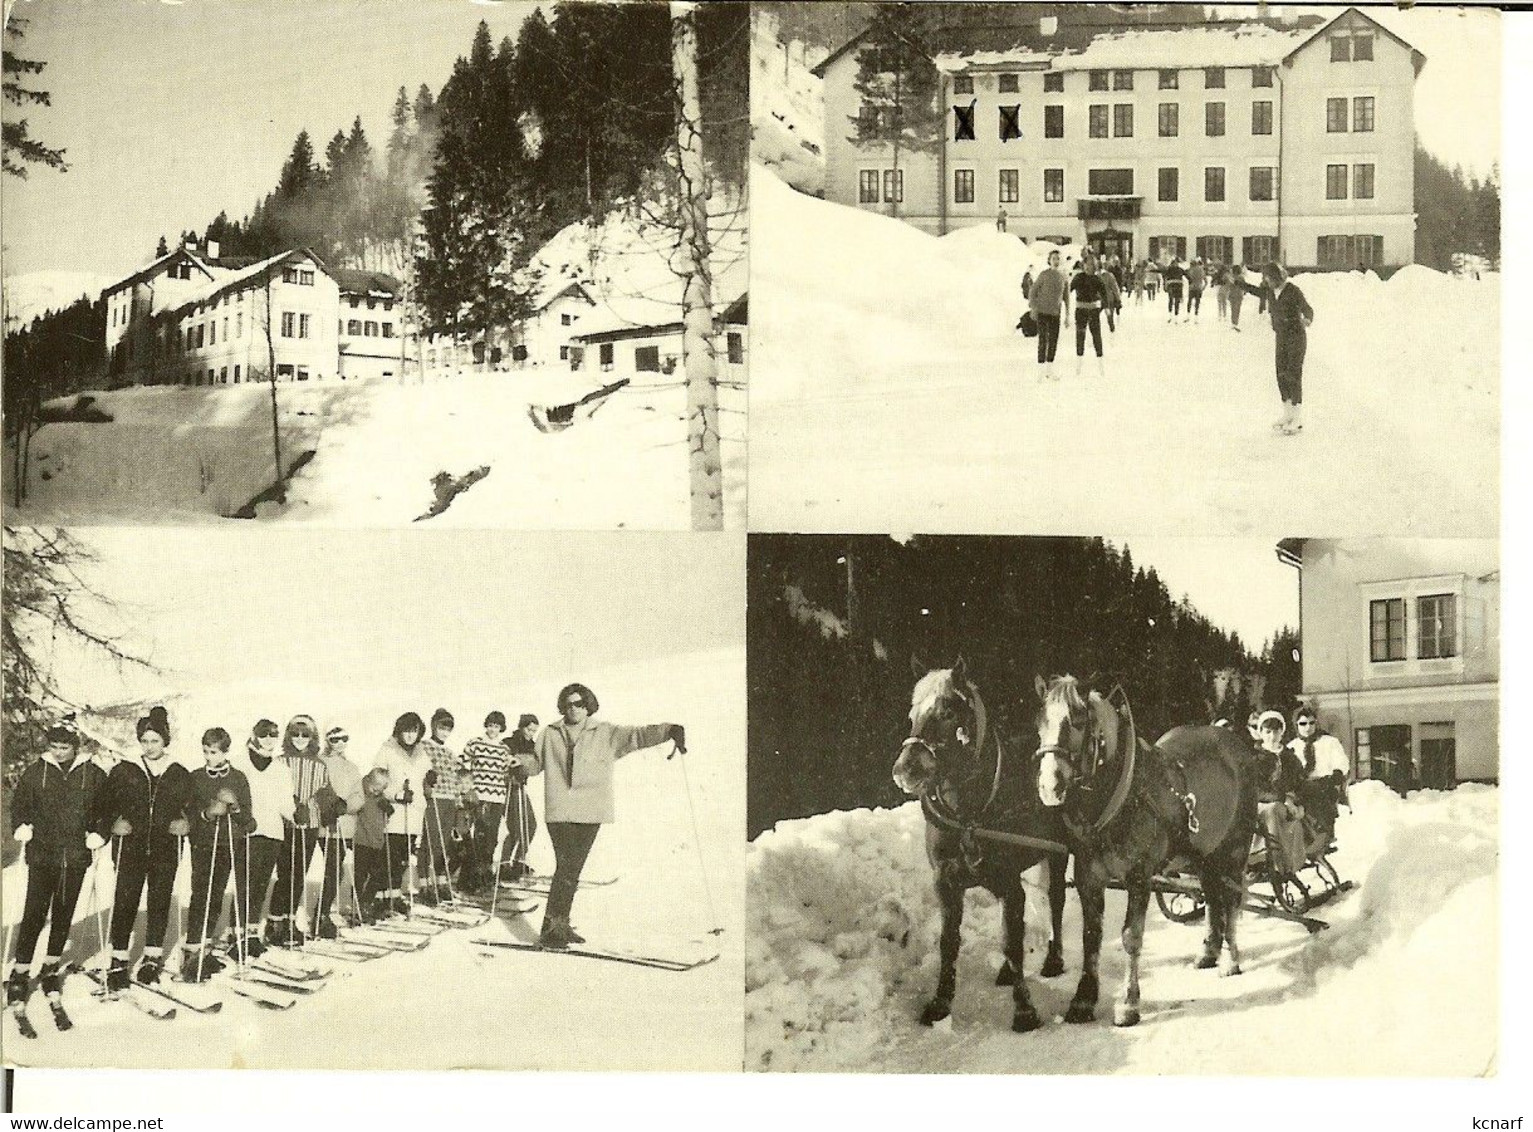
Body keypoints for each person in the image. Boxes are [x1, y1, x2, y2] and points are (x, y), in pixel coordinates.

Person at [509, 684, 685, 950]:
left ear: (588, 704)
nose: (573, 709)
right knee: (567, 867)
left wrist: (669, 730)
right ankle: (552, 929)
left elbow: (637, 735)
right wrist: (522, 766)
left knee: (572, 869)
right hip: (560, 810)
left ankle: (561, 923)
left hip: (591, 811)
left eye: (579, 703)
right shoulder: (549, 733)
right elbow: (536, 762)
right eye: (568, 704)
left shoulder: (605, 733)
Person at [5, 725, 112, 1009]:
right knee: (34, 915)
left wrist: (99, 832)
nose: (59, 752)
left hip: (75, 857)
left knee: (63, 914)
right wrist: (21, 826)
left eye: (64, 747)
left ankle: (50, 968)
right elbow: (19, 805)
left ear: (74, 747)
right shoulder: (36, 772)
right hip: (42, 855)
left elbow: (106, 809)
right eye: (54, 746)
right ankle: (19, 972)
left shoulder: (93, 774)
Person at [100, 706, 194, 992]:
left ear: (165, 741)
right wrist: (113, 822)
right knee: (126, 901)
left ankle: (152, 958)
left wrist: (185, 821)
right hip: (131, 846)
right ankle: (118, 960)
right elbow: (104, 803)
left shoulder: (178, 773)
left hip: (166, 848)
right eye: (145, 740)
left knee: (159, 902)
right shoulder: (124, 770)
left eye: (155, 740)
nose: (149, 746)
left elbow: (191, 806)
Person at [180, 729, 256, 982]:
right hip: (204, 844)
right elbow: (189, 814)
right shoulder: (196, 777)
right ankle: (192, 951)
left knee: (217, 896)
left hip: (228, 843)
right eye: (205, 751)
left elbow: (248, 820)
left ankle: (207, 948)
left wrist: (234, 806)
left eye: (214, 752)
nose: (208, 756)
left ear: (225, 752)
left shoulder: (238, 778)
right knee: (202, 894)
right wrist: (208, 813)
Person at [230, 719, 294, 957]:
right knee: (244, 885)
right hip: (246, 831)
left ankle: (251, 934)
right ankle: (236, 935)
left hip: (273, 832)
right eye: (264, 734)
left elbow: (286, 804)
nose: (269, 739)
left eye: (273, 735)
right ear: (254, 735)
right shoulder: (239, 764)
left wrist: (296, 811)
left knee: (260, 886)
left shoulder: (280, 769)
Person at [267, 714, 330, 946]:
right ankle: (276, 922)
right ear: (288, 735)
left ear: (313, 738)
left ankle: (290, 921)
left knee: (299, 874)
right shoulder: (280, 761)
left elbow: (325, 790)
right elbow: (273, 789)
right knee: (285, 873)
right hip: (286, 823)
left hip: (310, 824)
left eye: (306, 735)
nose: (300, 739)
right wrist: (292, 803)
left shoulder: (319, 763)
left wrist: (333, 805)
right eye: (296, 734)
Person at [1237, 262, 1314, 435]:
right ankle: (1287, 414)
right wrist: (1236, 282)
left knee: (1293, 373)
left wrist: (1308, 319)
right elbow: (1256, 291)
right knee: (1281, 373)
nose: (1267, 281)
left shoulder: (1293, 290)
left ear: (1278, 277)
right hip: (1281, 336)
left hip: (1296, 335)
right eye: (1265, 278)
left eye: (1269, 278)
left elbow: (1307, 308)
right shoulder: (1270, 291)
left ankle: (1297, 417)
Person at [373, 711, 432, 913]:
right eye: (406, 731)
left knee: (404, 859)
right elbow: (377, 780)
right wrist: (395, 794)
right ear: (399, 731)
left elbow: (425, 781)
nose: (410, 735)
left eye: (414, 731)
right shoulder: (387, 749)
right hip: (394, 811)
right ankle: (380, 897)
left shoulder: (422, 752)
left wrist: (430, 781)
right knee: (389, 857)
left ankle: (395, 895)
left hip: (414, 812)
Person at [313, 726, 364, 936]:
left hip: (345, 824)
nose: (340, 743)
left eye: (344, 738)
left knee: (337, 870)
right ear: (327, 740)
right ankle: (320, 916)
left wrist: (347, 806)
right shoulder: (320, 762)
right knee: (333, 869)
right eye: (335, 739)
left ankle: (323, 913)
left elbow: (358, 795)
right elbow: (316, 789)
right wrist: (327, 808)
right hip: (327, 824)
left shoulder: (351, 767)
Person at [418, 707, 470, 904]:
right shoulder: (424, 746)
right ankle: (424, 884)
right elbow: (420, 772)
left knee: (444, 843)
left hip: (449, 799)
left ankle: (440, 882)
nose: (444, 732)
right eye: (441, 728)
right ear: (434, 726)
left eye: (448, 729)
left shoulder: (449, 753)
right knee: (430, 842)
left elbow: (455, 779)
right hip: (434, 798)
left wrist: (459, 803)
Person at [1252, 711, 1307, 879]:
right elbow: (1256, 789)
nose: (1272, 736)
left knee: (1286, 815)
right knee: (1272, 810)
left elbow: (1300, 785)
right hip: (1262, 804)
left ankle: (1288, 863)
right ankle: (1276, 864)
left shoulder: (1291, 758)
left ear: (1282, 732)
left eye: (1276, 731)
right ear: (1261, 734)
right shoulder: (1255, 759)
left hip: (1288, 804)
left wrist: (1297, 802)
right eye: (1268, 732)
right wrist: (1283, 799)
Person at [1288, 708, 1349, 850]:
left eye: (1311, 723)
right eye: (1303, 724)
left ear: (1316, 724)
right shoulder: (1292, 746)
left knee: (1315, 793)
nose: (1308, 727)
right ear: (1296, 725)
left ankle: (1322, 834)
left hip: (1325, 783)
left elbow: (1341, 762)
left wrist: (1337, 773)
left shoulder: (1329, 742)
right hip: (1301, 785)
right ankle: (1300, 837)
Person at [502, 713, 541, 881]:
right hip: (507, 787)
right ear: (521, 726)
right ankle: (504, 864)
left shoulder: (532, 746)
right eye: (528, 729)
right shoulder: (509, 742)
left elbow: (535, 766)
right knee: (516, 828)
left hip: (520, 787)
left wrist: (522, 763)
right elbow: (502, 760)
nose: (531, 733)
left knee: (530, 825)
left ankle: (518, 860)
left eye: (534, 730)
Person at [352, 768, 394, 920]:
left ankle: (366, 902)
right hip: (361, 841)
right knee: (360, 875)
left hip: (377, 843)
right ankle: (356, 905)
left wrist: (388, 810)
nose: (378, 790)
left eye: (382, 787)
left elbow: (385, 816)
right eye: (375, 785)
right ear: (368, 780)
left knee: (378, 875)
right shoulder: (361, 794)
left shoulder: (380, 798)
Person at [1068, 250, 1110, 377]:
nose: (1088, 267)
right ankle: (1079, 363)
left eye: (1091, 265)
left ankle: (1100, 364)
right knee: (1080, 335)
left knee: (1096, 335)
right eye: (1086, 264)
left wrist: (1106, 307)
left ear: (1095, 266)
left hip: (1093, 310)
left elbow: (1104, 294)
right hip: (1080, 310)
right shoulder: (1078, 277)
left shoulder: (1097, 279)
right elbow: (1069, 290)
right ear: (1083, 265)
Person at [1027, 249, 1067, 380]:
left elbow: (1066, 297)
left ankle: (1049, 370)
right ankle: (1040, 371)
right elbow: (1033, 291)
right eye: (1054, 258)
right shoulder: (1044, 275)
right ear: (1049, 260)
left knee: (1053, 341)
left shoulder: (1063, 276)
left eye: (1058, 258)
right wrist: (1033, 308)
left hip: (1056, 313)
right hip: (1043, 311)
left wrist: (1068, 315)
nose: (1056, 261)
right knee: (1043, 340)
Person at [1096, 256, 1122, 334]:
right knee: (1109, 316)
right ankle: (1112, 330)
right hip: (1108, 299)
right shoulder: (1109, 275)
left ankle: (1096, 331)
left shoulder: (1094, 276)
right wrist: (1118, 299)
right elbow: (1115, 288)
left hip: (1098, 299)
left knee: (1095, 316)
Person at [1228, 263, 1247, 331]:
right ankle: (1236, 322)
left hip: (1232, 294)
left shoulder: (1231, 277)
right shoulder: (1241, 277)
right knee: (1237, 309)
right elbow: (1244, 286)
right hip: (1239, 294)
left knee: (1233, 309)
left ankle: (1233, 322)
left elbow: (1229, 285)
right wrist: (1244, 292)